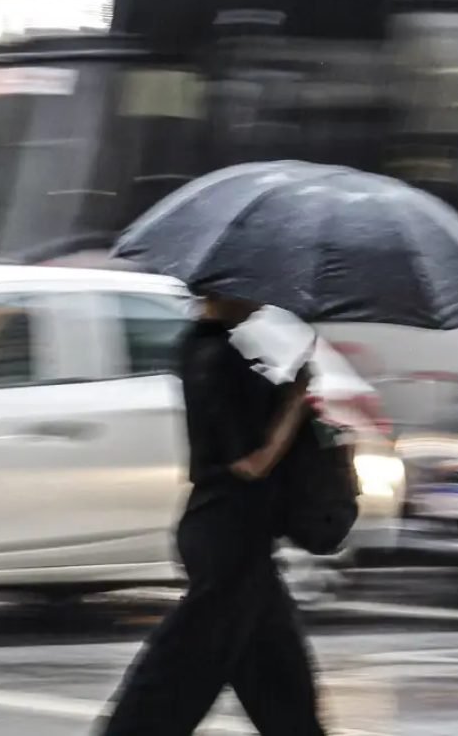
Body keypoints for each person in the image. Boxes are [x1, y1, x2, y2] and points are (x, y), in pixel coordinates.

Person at [96, 293, 327, 736]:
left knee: (277, 673)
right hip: (228, 535)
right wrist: (295, 405)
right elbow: (249, 464)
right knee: (179, 666)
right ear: (222, 290)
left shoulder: (210, 347)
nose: (260, 298)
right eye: (250, 287)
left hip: (235, 534)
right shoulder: (215, 357)